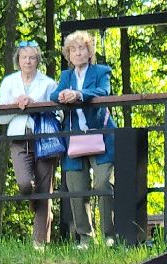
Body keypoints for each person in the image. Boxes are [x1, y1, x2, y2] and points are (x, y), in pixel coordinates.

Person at [55, 30, 117, 248]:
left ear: (90, 52)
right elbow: (54, 95)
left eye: (82, 48)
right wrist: (62, 95)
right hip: (74, 140)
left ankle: (109, 236)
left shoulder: (101, 71)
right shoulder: (66, 76)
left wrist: (79, 95)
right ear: (68, 55)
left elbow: (104, 91)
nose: (78, 53)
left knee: (103, 184)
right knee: (76, 188)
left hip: (101, 136)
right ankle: (85, 238)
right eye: (73, 50)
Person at [0, 40, 58, 247]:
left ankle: (39, 244)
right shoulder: (9, 82)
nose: (28, 61)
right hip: (18, 140)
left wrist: (36, 106)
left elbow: (58, 114)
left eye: (32, 57)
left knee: (44, 192)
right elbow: (1, 118)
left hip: (44, 140)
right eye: (24, 57)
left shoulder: (48, 83)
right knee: (24, 184)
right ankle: (34, 200)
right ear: (18, 60)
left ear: (38, 60)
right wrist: (16, 105)